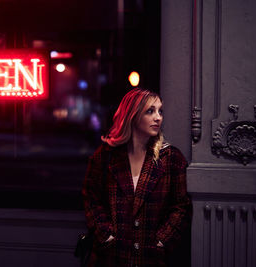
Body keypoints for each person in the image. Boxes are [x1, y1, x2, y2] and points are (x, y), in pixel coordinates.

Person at [82, 88, 192, 267]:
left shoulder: (170, 158)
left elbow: (181, 206)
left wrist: (161, 241)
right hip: (112, 257)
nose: (158, 117)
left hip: (151, 258)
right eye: (150, 111)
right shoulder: (105, 156)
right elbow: (91, 199)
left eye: (160, 111)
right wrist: (107, 236)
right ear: (132, 115)